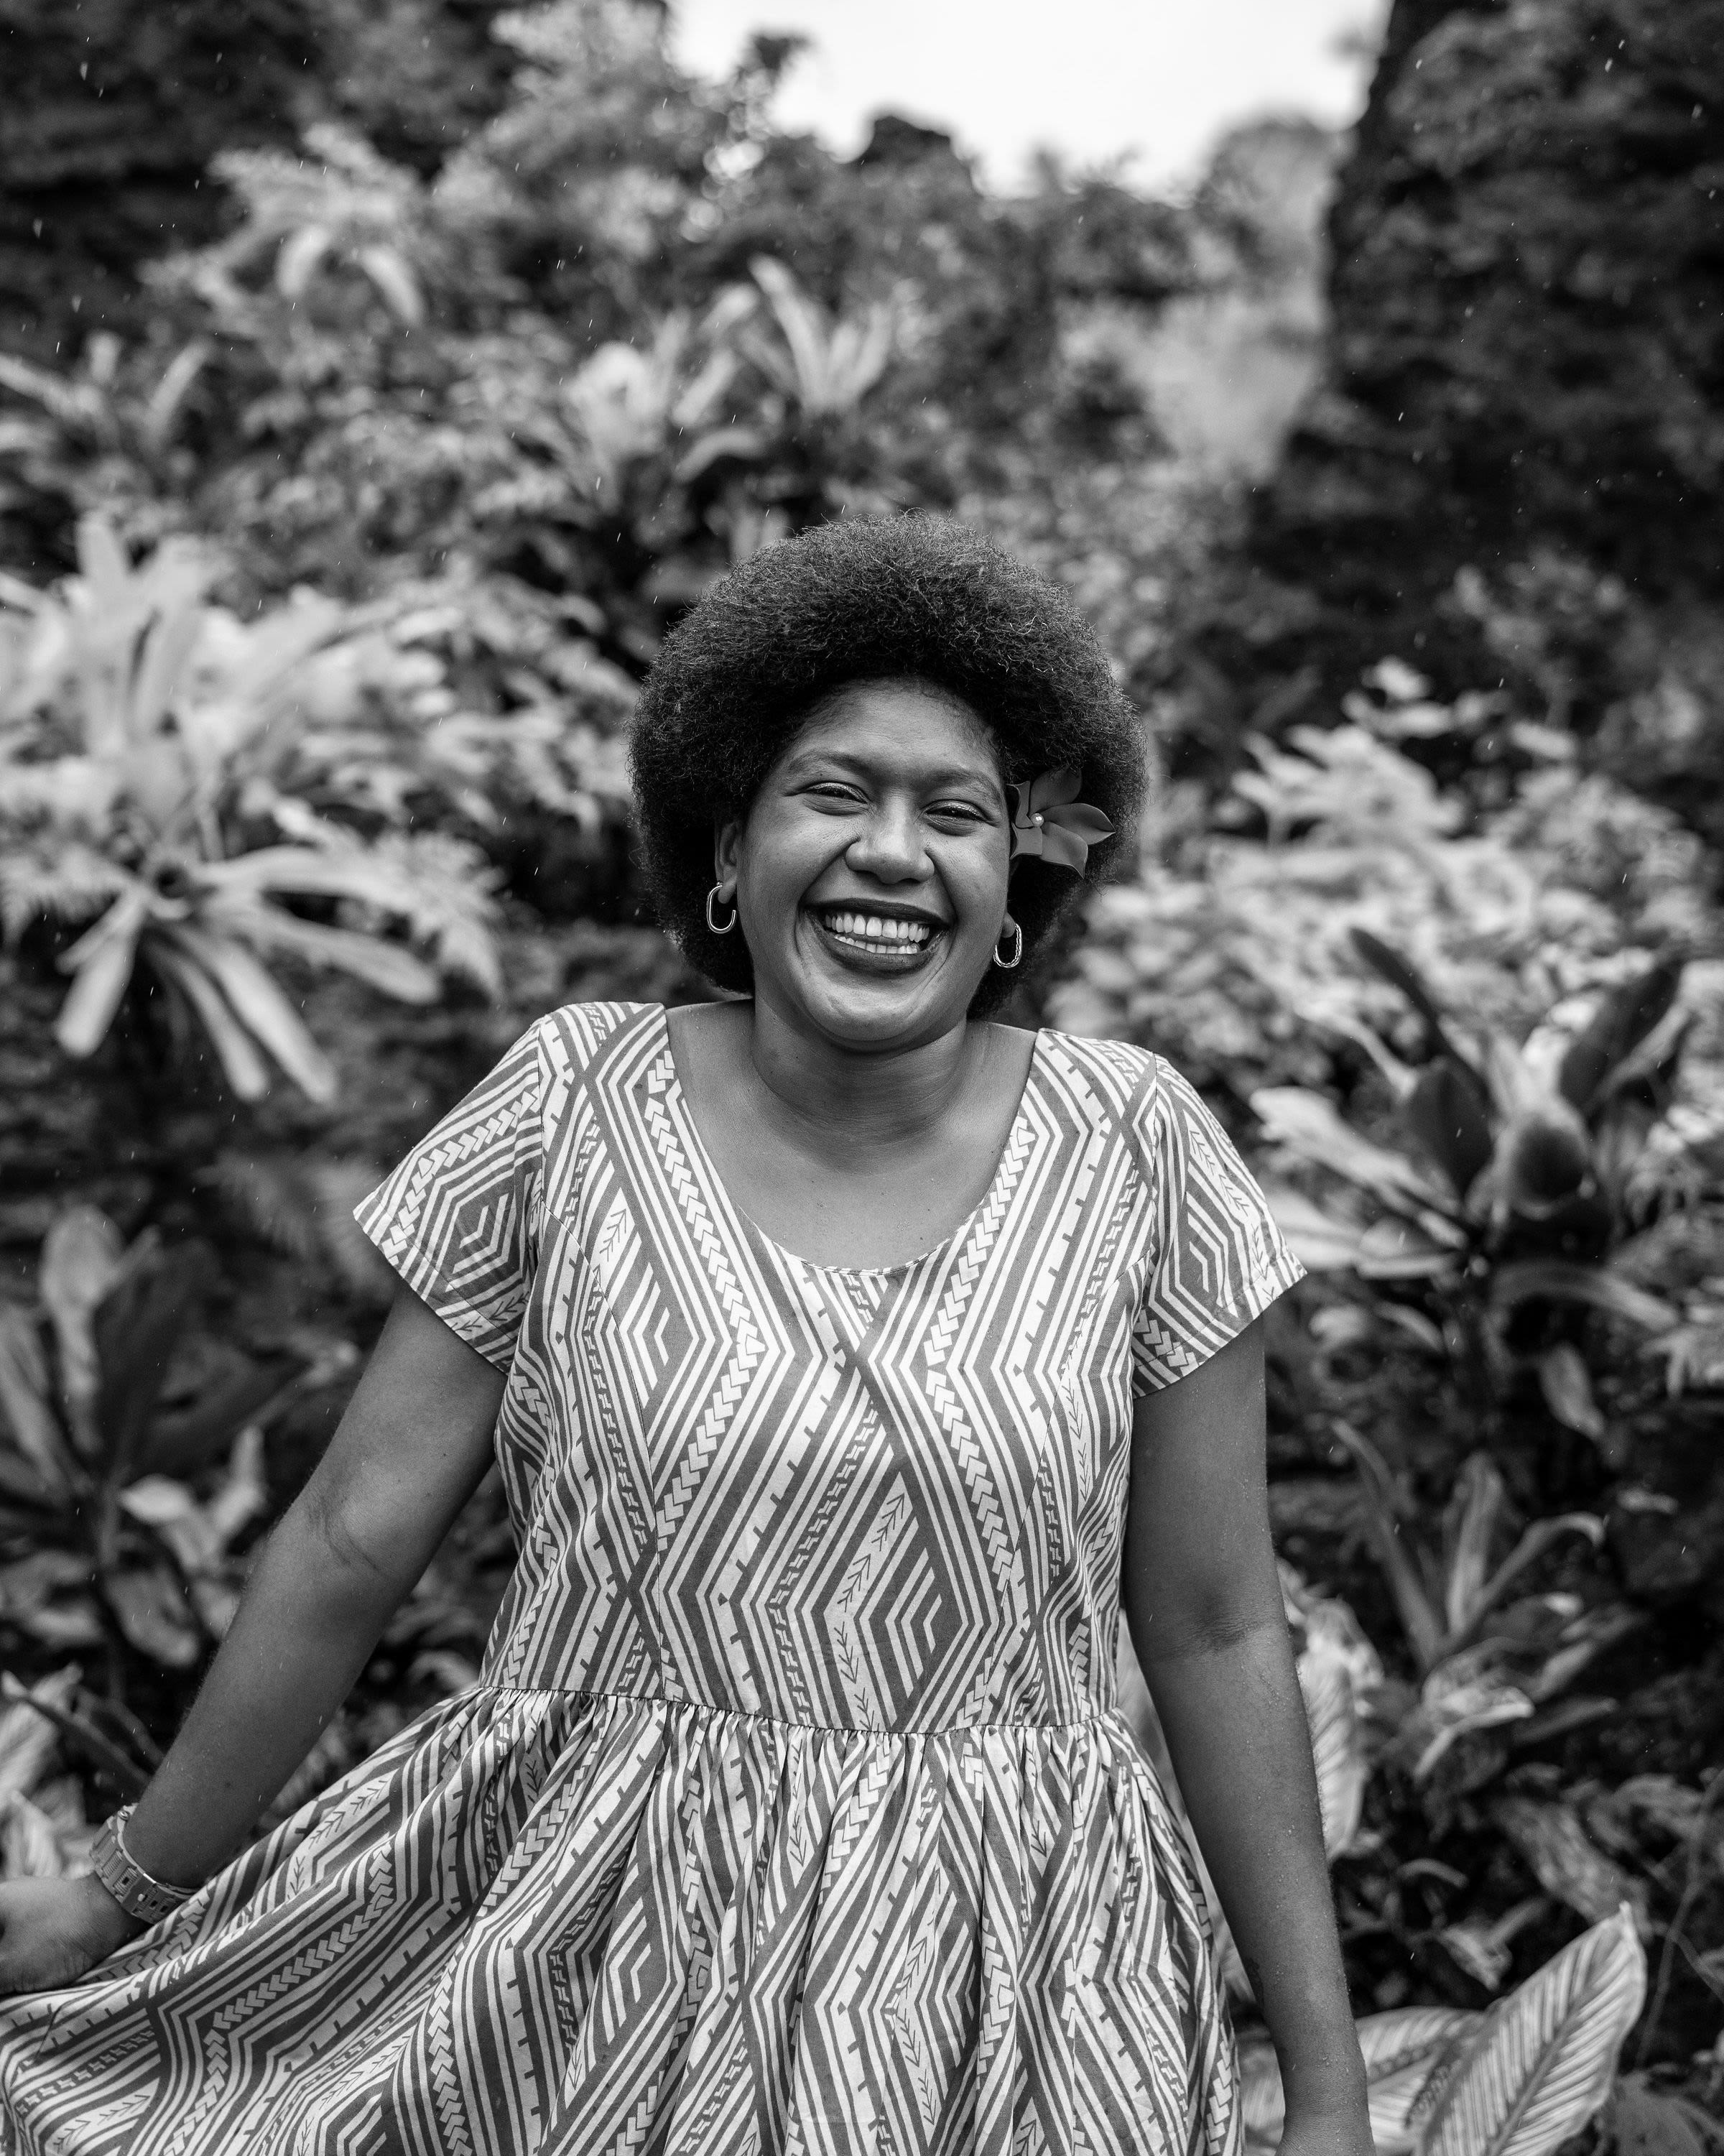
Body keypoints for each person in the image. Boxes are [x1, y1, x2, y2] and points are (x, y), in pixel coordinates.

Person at [0, 517, 1371, 2156]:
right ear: (728, 847)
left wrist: (1329, 2091)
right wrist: (112, 1894)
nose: (890, 851)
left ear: (1019, 878)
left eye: (954, 813)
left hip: (1015, 1990)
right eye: (831, 792)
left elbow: (1218, 1629)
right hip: (584, 1949)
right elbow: (349, 1541)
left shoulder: (1138, 1145)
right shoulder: (572, 1101)